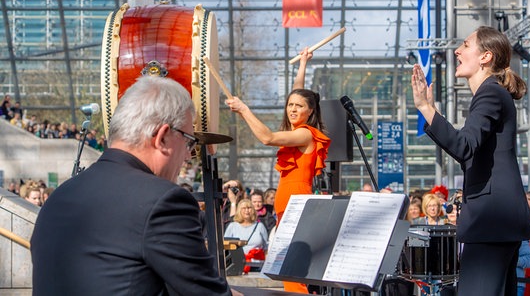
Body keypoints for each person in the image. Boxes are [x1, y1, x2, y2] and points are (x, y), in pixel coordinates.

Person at [30, 76, 234, 295]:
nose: (188, 155)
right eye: (188, 142)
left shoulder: (60, 196)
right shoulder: (164, 201)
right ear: (162, 137)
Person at [411, 25, 530, 295]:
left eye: (465, 45)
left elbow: (464, 146)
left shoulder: (490, 93)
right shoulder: (493, 94)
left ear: (485, 57)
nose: (457, 50)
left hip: (492, 220)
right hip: (498, 221)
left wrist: (425, 108)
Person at [226, 47, 330, 294]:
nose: (292, 109)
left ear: (310, 111)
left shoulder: (305, 134)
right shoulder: (297, 131)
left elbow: (268, 137)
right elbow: (298, 92)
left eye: (299, 106)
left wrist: (244, 110)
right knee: (290, 269)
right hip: (289, 203)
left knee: (292, 270)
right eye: (290, 105)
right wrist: (303, 64)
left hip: (297, 203)